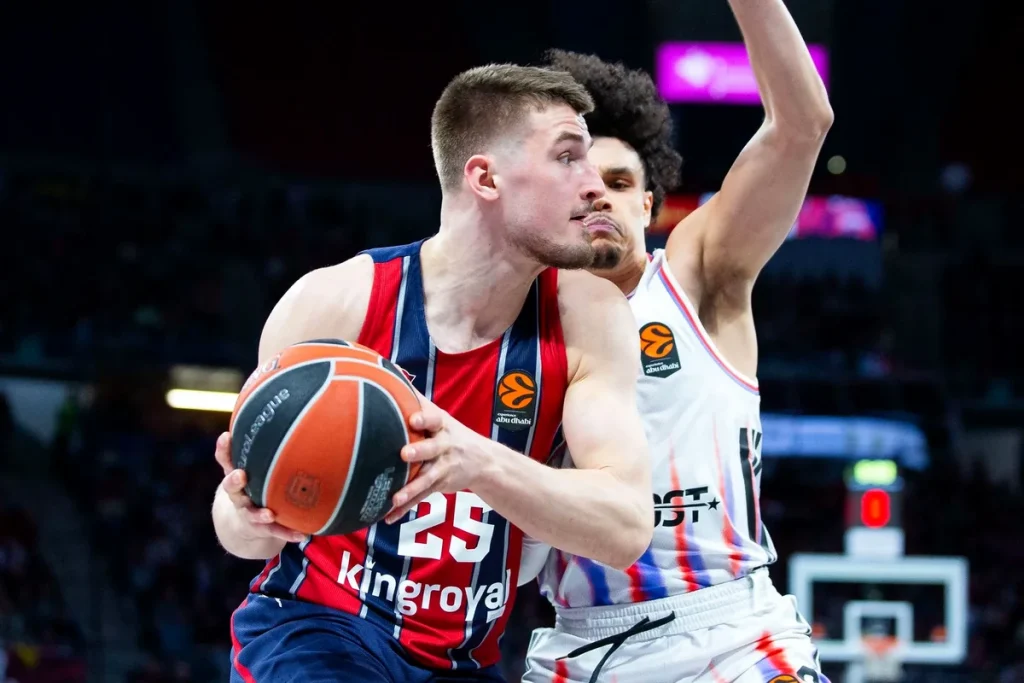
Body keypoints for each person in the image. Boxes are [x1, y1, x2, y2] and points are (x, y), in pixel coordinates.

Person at [214, 63, 654, 683]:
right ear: (485, 178)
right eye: (567, 158)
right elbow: (241, 532)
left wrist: (475, 461)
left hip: (462, 661)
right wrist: (248, 513)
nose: (593, 185)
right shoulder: (336, 302)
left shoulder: (590, 316)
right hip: (314, 629)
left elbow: (626, 526)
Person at [521, 2, 835, 681]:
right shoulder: (517, 326)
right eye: (580, 182)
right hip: (579, 645)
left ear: (649, 205)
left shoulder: (696, 274)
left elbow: (802, 125)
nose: (598, 196)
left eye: (619, 183)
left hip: (734, 635)